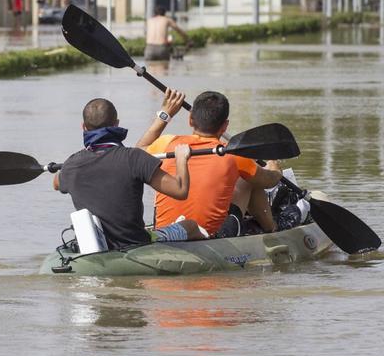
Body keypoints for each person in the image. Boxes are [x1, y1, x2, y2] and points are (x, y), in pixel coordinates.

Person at [137, 90, 304, 238]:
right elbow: (268, 180)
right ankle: (273, 227)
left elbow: (137, 153)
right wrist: (274, 165)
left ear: (190, 119)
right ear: (224, 126)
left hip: (167, 230)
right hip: (214, 235)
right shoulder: (234, 155)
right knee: (248, 180)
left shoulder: (167, 144)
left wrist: (165, 114)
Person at [53, 98, 207, 249]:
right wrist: (181, 159)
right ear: (117, 124)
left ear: (83, 127)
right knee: (190, 225)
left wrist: (67, 167)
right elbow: (180, 190)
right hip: (137, 243)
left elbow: (56, 183)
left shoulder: (71, 165)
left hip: (99, 246)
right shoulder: (134, 157)